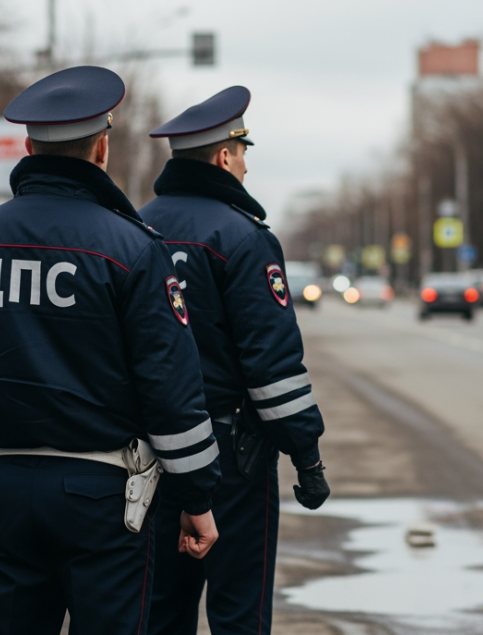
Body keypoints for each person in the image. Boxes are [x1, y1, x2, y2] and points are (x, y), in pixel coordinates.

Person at [0, 66, 222, 635]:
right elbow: (169, 390)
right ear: (102, 148)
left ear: (28, 146)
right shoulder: (132, 250)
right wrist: (196, 496)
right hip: (104, 500)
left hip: (5, 489)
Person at [141, 86, 330, 635]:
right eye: (243, 153)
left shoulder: (132, 229)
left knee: (156, 612)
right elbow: (273, 370)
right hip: (233, 462)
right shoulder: (242, 239)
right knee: (237, 615)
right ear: (224, 157)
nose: (246, 167)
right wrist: (308, 457)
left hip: (148, 459)